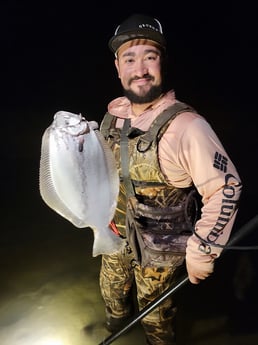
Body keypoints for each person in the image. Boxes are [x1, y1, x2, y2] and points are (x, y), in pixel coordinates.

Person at [98, 13, 242, 345]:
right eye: (129, 59)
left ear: (162, 63)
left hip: (162, 251)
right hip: (115, 238)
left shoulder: (187, 127)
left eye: (150, 56)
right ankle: (115, 331)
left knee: (156, 317)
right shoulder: (111, 119)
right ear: (118, 68)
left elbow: (227, 187)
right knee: (111, 294)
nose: (140, 69)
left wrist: (203, 248)